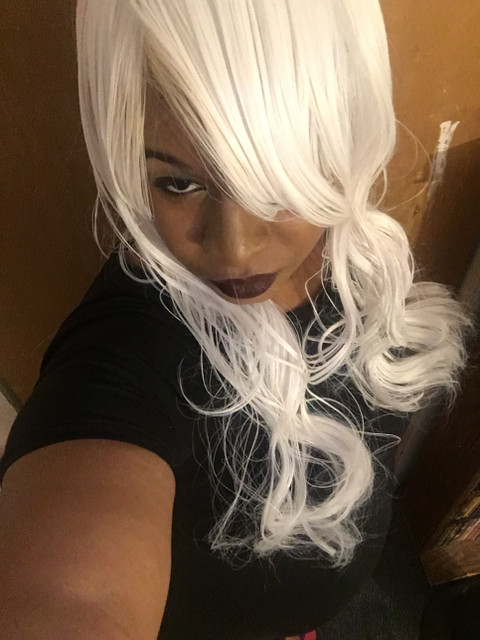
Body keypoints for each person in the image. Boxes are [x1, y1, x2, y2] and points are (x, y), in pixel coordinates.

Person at [0, 1, 473, 639]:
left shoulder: (358, 252)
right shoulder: (127, 353)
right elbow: (68, 598)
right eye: (178, 184)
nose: (235, 250)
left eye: (274, 178)